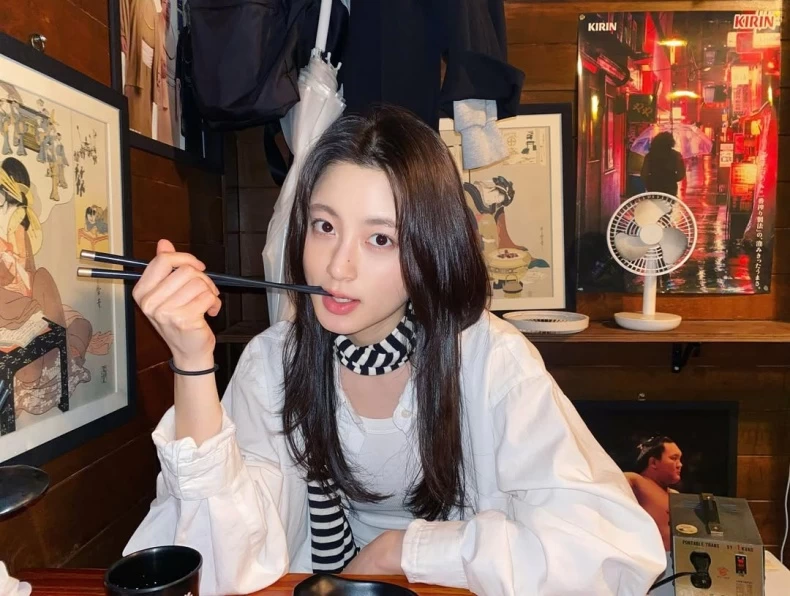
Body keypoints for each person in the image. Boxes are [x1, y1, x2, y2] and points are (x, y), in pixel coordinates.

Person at [125, 106, 666, 595]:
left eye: (380, 238)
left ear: (430, 247)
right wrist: (192, 361)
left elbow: (603, 552)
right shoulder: (275, 362)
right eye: (324, 226)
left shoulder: (490, 358)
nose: (338, 266)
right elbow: (215, 560)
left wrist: (400, 550)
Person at [625, 435, 683, 551]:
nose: (679, 464)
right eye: (674, 458)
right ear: (653, 462)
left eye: (680, 459)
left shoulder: (676, 495)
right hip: (646, 556)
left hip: (679, 557)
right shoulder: (634, 481)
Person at [640, 131, 686, 197]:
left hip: (653, 186)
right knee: (668, 203)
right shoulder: (676, 155)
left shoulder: (650, 155)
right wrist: (671, 179)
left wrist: (650, 180)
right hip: (670, 188)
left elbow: (644, 174)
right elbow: (681, 174)